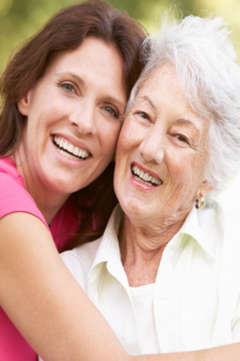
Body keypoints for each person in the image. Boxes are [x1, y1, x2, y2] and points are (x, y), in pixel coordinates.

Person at [59, 14, 240, 360]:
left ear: (209, 178)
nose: (150, 149)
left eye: (181, 137)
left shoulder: (234, 252)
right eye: (143, 116)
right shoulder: (69, 276)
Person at [0, 1, 146, 360]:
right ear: (27, 92)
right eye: (69, 87)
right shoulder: (5, 206)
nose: (84, 122)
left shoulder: (90, 222)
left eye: (110, 109)